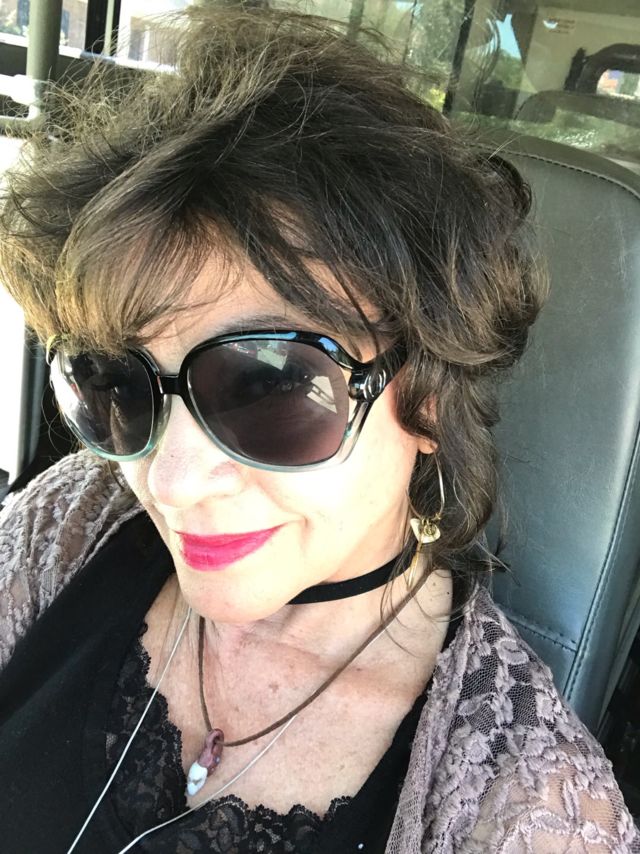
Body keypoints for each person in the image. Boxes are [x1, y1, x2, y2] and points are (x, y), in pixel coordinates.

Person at [0, 6, 637, 853]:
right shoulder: (68, 520)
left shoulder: (525, 814)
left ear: (429, 395)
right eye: (113, 380)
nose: (171, 480)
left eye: (267, 386)